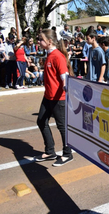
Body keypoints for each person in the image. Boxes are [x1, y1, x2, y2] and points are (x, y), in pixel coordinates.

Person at [34, 29, 74, 166]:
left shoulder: (57, 56)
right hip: (48, 97)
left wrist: (65, 85)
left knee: (62, 126)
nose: (38, 42)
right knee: (41, 121)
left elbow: (65, 75)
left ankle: (68, 154)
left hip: (59, 98)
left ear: (49, 41)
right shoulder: (49, 55)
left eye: (41, 39)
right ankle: (50, 151)